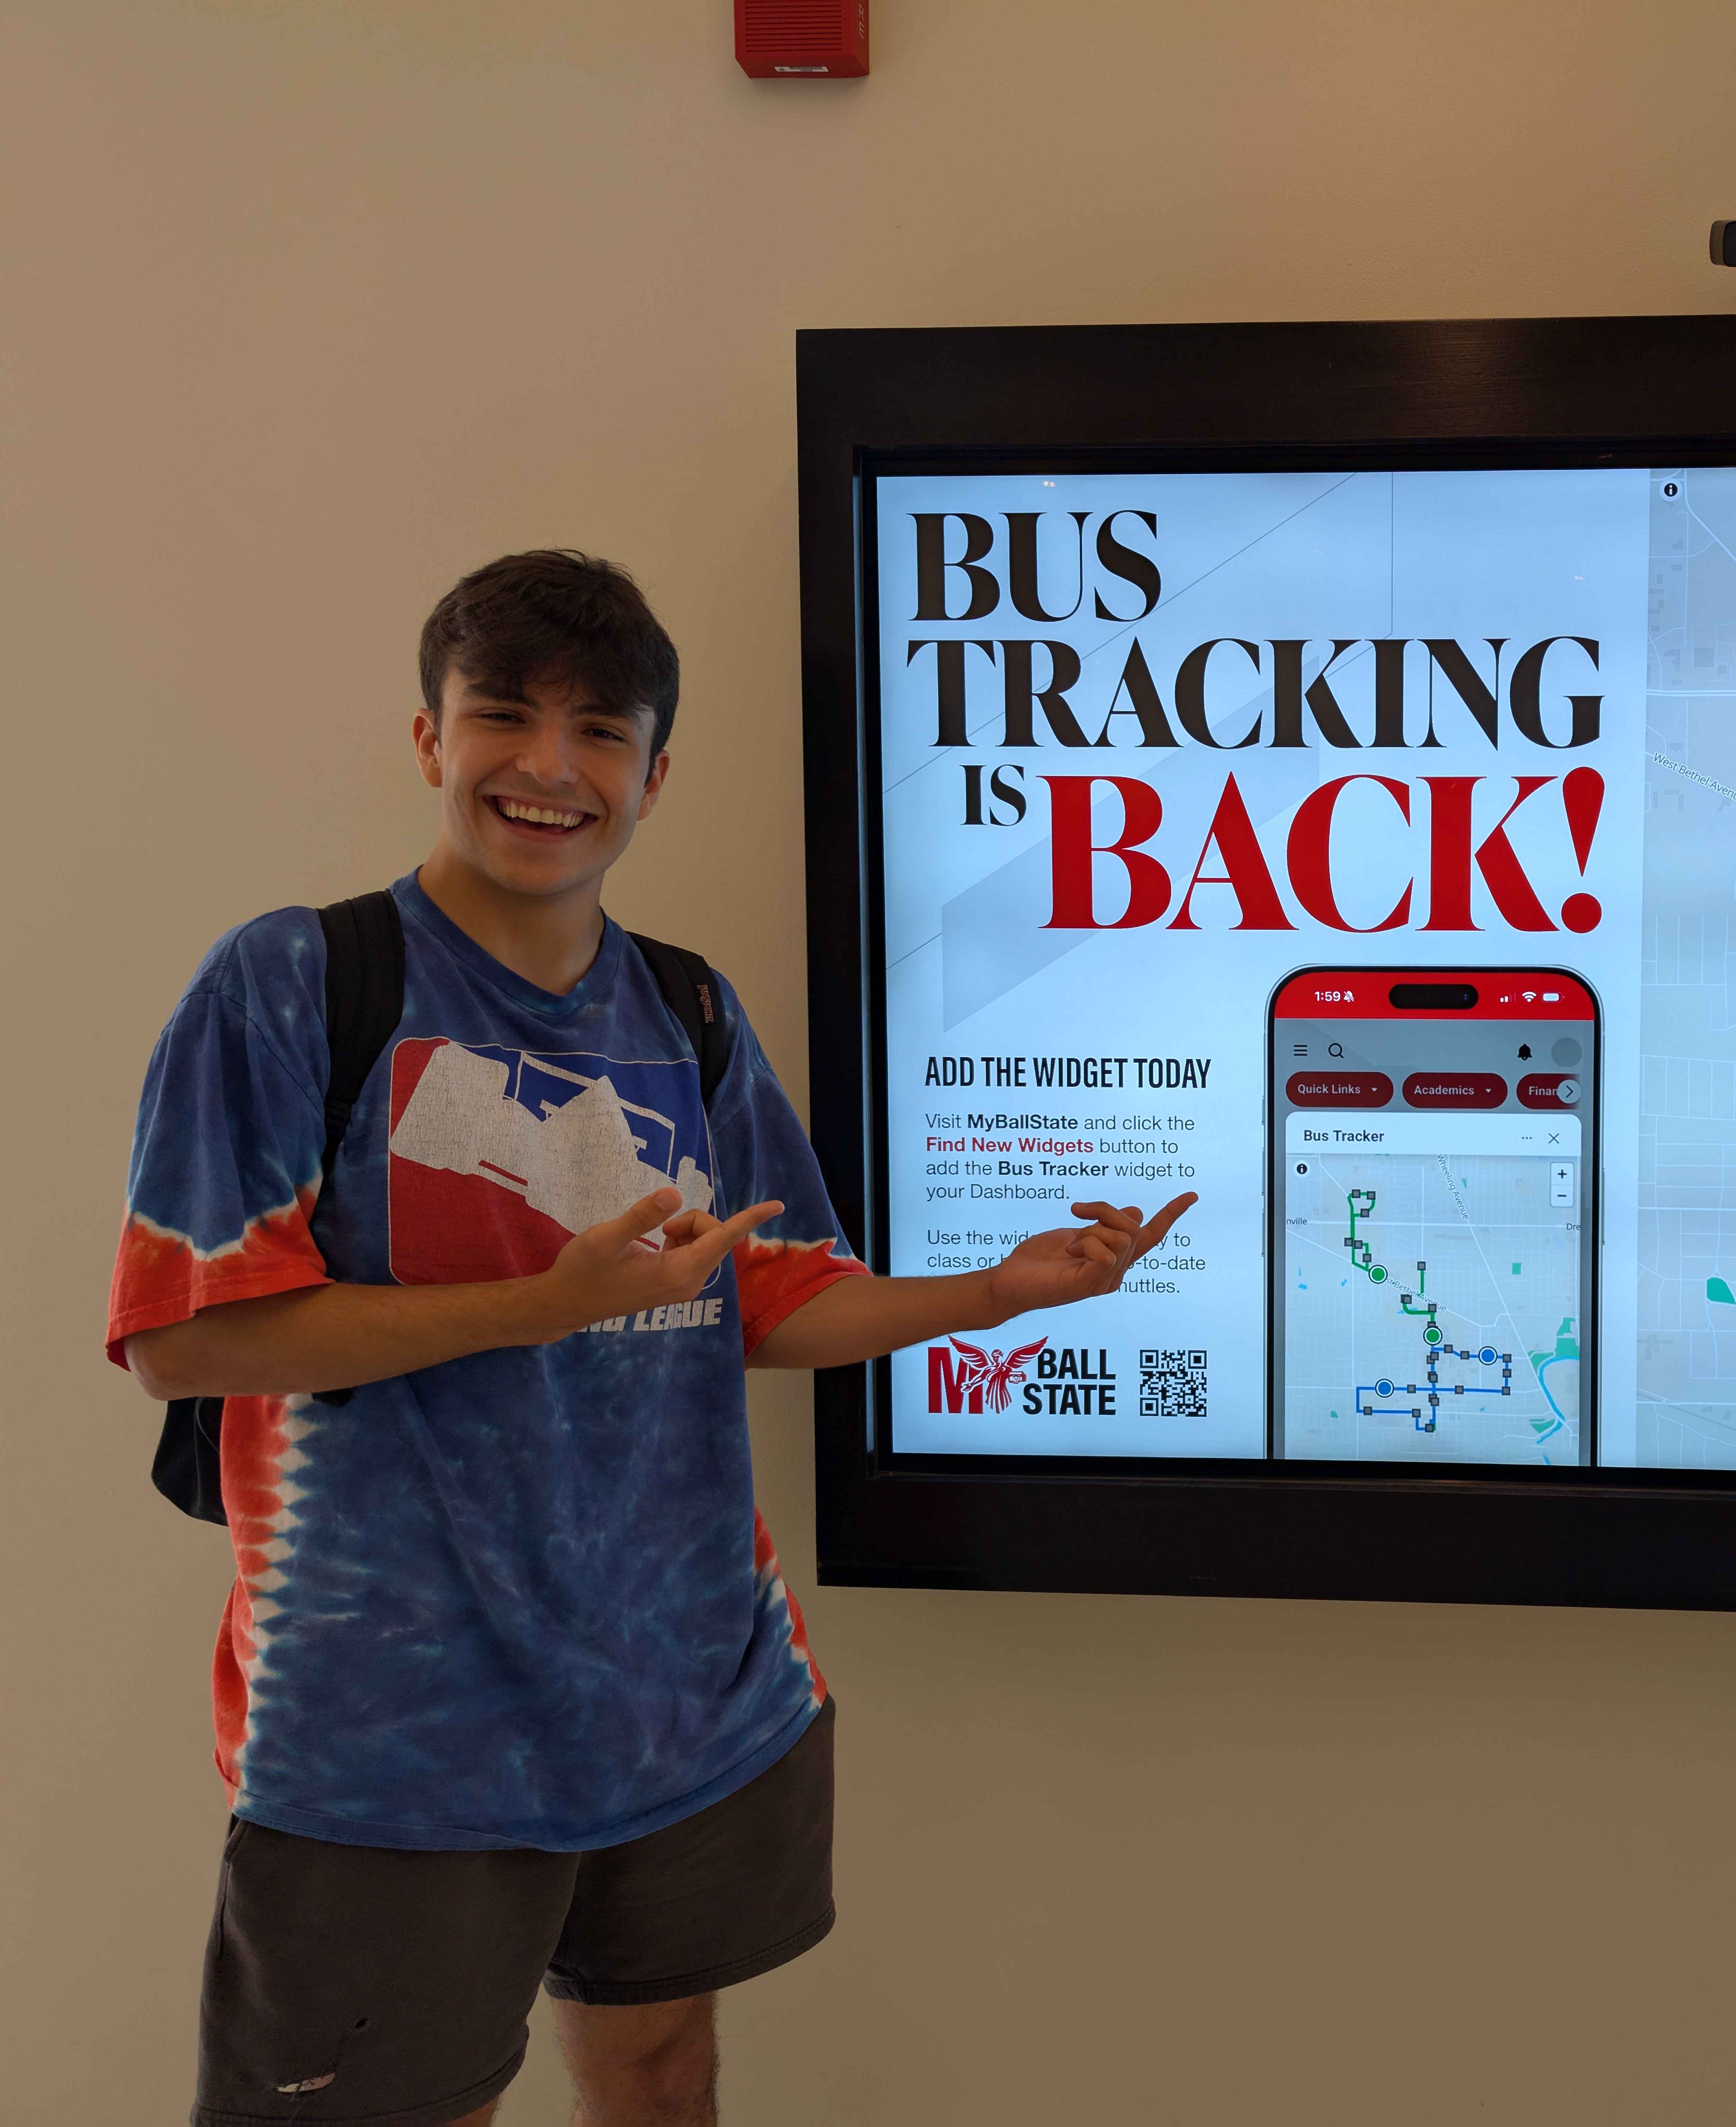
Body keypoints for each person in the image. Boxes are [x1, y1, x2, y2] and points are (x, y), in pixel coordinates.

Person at [109, 550, 1194, 2127]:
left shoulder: (686, 1011)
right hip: (388, 1739)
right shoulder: (296, 983)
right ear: (431, 738)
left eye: (601, 732)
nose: (551, 769)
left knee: (663, 2073)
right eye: (505, 719)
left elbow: (768, 1294)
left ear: (656, 772)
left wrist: (995, 1294)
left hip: (681, 1703)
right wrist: (544, 1308)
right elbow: (189, 1344)